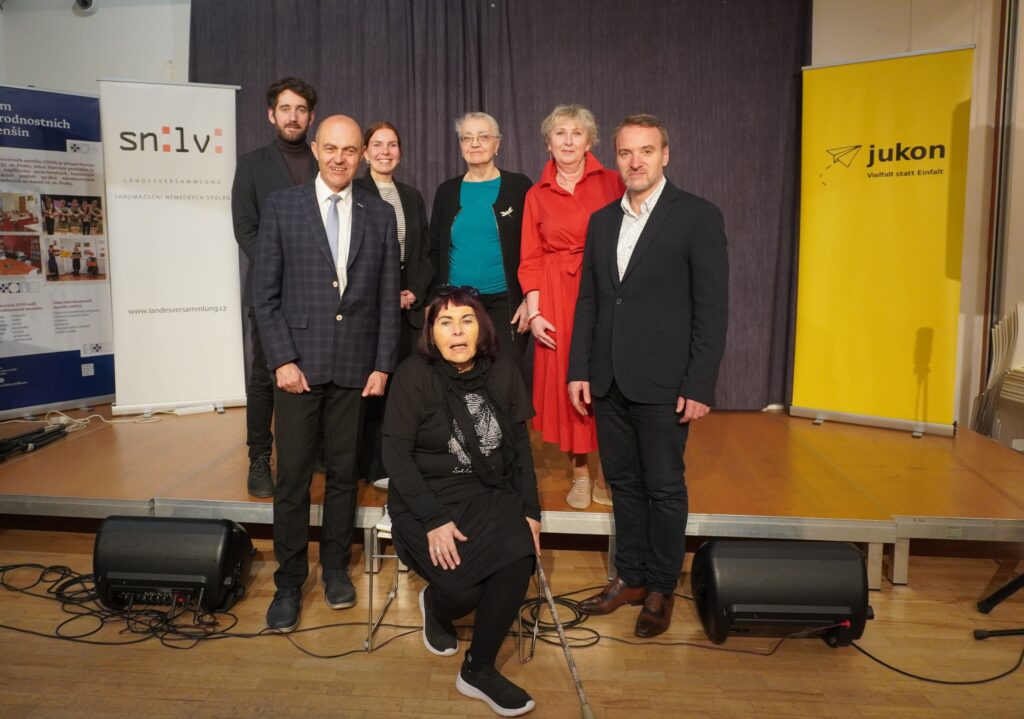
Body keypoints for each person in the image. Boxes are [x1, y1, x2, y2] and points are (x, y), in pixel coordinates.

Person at [568, 114, 729, 638]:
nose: (635, 162)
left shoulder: (697, 217)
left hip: (665, 382)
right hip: (609, 379)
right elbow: (591, 300)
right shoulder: (601, 221)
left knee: (663, 487)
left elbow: (712, 308)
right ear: (614, 158)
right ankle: (630, 578)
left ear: (666, 154)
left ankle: (661, 587)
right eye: (625, 153)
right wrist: (580, 370)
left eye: (646, 151)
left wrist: (699, 384)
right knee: (623, 485)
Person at [252, 115, 401, 632]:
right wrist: (282, 361)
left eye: (350, 150)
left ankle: (335, 567)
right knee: (292, 479)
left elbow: (386, 299)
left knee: (343, 476)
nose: (340, 158)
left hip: (355, 369)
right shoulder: (282, 207)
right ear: (315, 148)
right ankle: (290, 582)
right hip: (298, 368)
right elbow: (263, 296)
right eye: (331, 148)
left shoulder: (378, 214)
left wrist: (383, 364)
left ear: (362, 155)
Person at [383, 285, 540, 717]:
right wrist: (432, 519)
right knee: (461, 589)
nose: (457, 332)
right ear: (430, 333)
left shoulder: (502, 369)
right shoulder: (414, 375)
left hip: (487, 491)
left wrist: (531, 512)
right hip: (426, 500)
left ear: (481, 328)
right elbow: (395, 455)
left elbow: (521, 449)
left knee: (517, 555)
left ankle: (479, 669)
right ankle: (436, 605)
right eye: (445, 323)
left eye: (466, 321)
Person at [518, 105, 624, 510]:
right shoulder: (536, 194)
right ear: (547, 142)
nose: (567, 141)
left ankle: (607, 472)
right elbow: (529, 257)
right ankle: (580, 473)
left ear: (590, 142)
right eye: (559, 133)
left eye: (575, 133)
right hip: (556, 294)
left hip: (605, 287)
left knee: (608, 376)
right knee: (569, 382)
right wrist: (536, 310)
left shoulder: (614, 182)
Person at [231, 77, 318, 498]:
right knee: (266, 377)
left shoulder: (326, 161)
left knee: (315, 372)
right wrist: (280, 268)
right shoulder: (251, 164)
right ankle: (259, 458)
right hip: (270, 291)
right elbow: (245, 229)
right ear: (271, 114)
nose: (293, 116)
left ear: (311, 117)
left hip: (320, 293)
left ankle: (306, 452)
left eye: (301, 110)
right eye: (285, 109)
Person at [354, 122, 433, 490]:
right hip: (368, 307)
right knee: (371, 389)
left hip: (407, 308)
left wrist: (413, 290)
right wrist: (385, 293)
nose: (386, 151)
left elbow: (424, 252)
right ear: (365, 152)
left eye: (393, 145)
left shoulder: (411, 195)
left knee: (401, 390)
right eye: (377, 145)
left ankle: (398, 462)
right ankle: (369, 464)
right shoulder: (354, 192)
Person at [429, 112, 533, 363]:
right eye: (467, 138)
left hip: (506, 304)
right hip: (458, 303)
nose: (475, 143)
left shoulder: (519, 186)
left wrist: (529, 299)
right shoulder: (447, 191)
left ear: (497, 144)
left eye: (483, 137)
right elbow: (434, 249)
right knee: (462, 374)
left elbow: (534, 246)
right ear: (461, 146)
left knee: (504, 375)